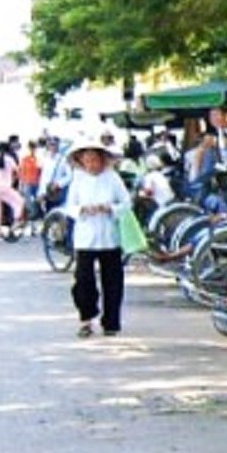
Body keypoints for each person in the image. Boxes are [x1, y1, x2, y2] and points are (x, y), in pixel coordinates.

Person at [64, 138, 133, 338]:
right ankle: (86, 317)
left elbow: (126, 203)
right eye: (88, 160)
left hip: (109, 237)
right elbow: (70, 207)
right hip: (85, 237)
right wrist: (83, 210)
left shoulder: (112, 178)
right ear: (81, 161)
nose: (92, 164)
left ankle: (111, 321)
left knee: (112, 281)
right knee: (83, 281)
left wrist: (110, 208)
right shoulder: (77, 179)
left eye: (96, 159)